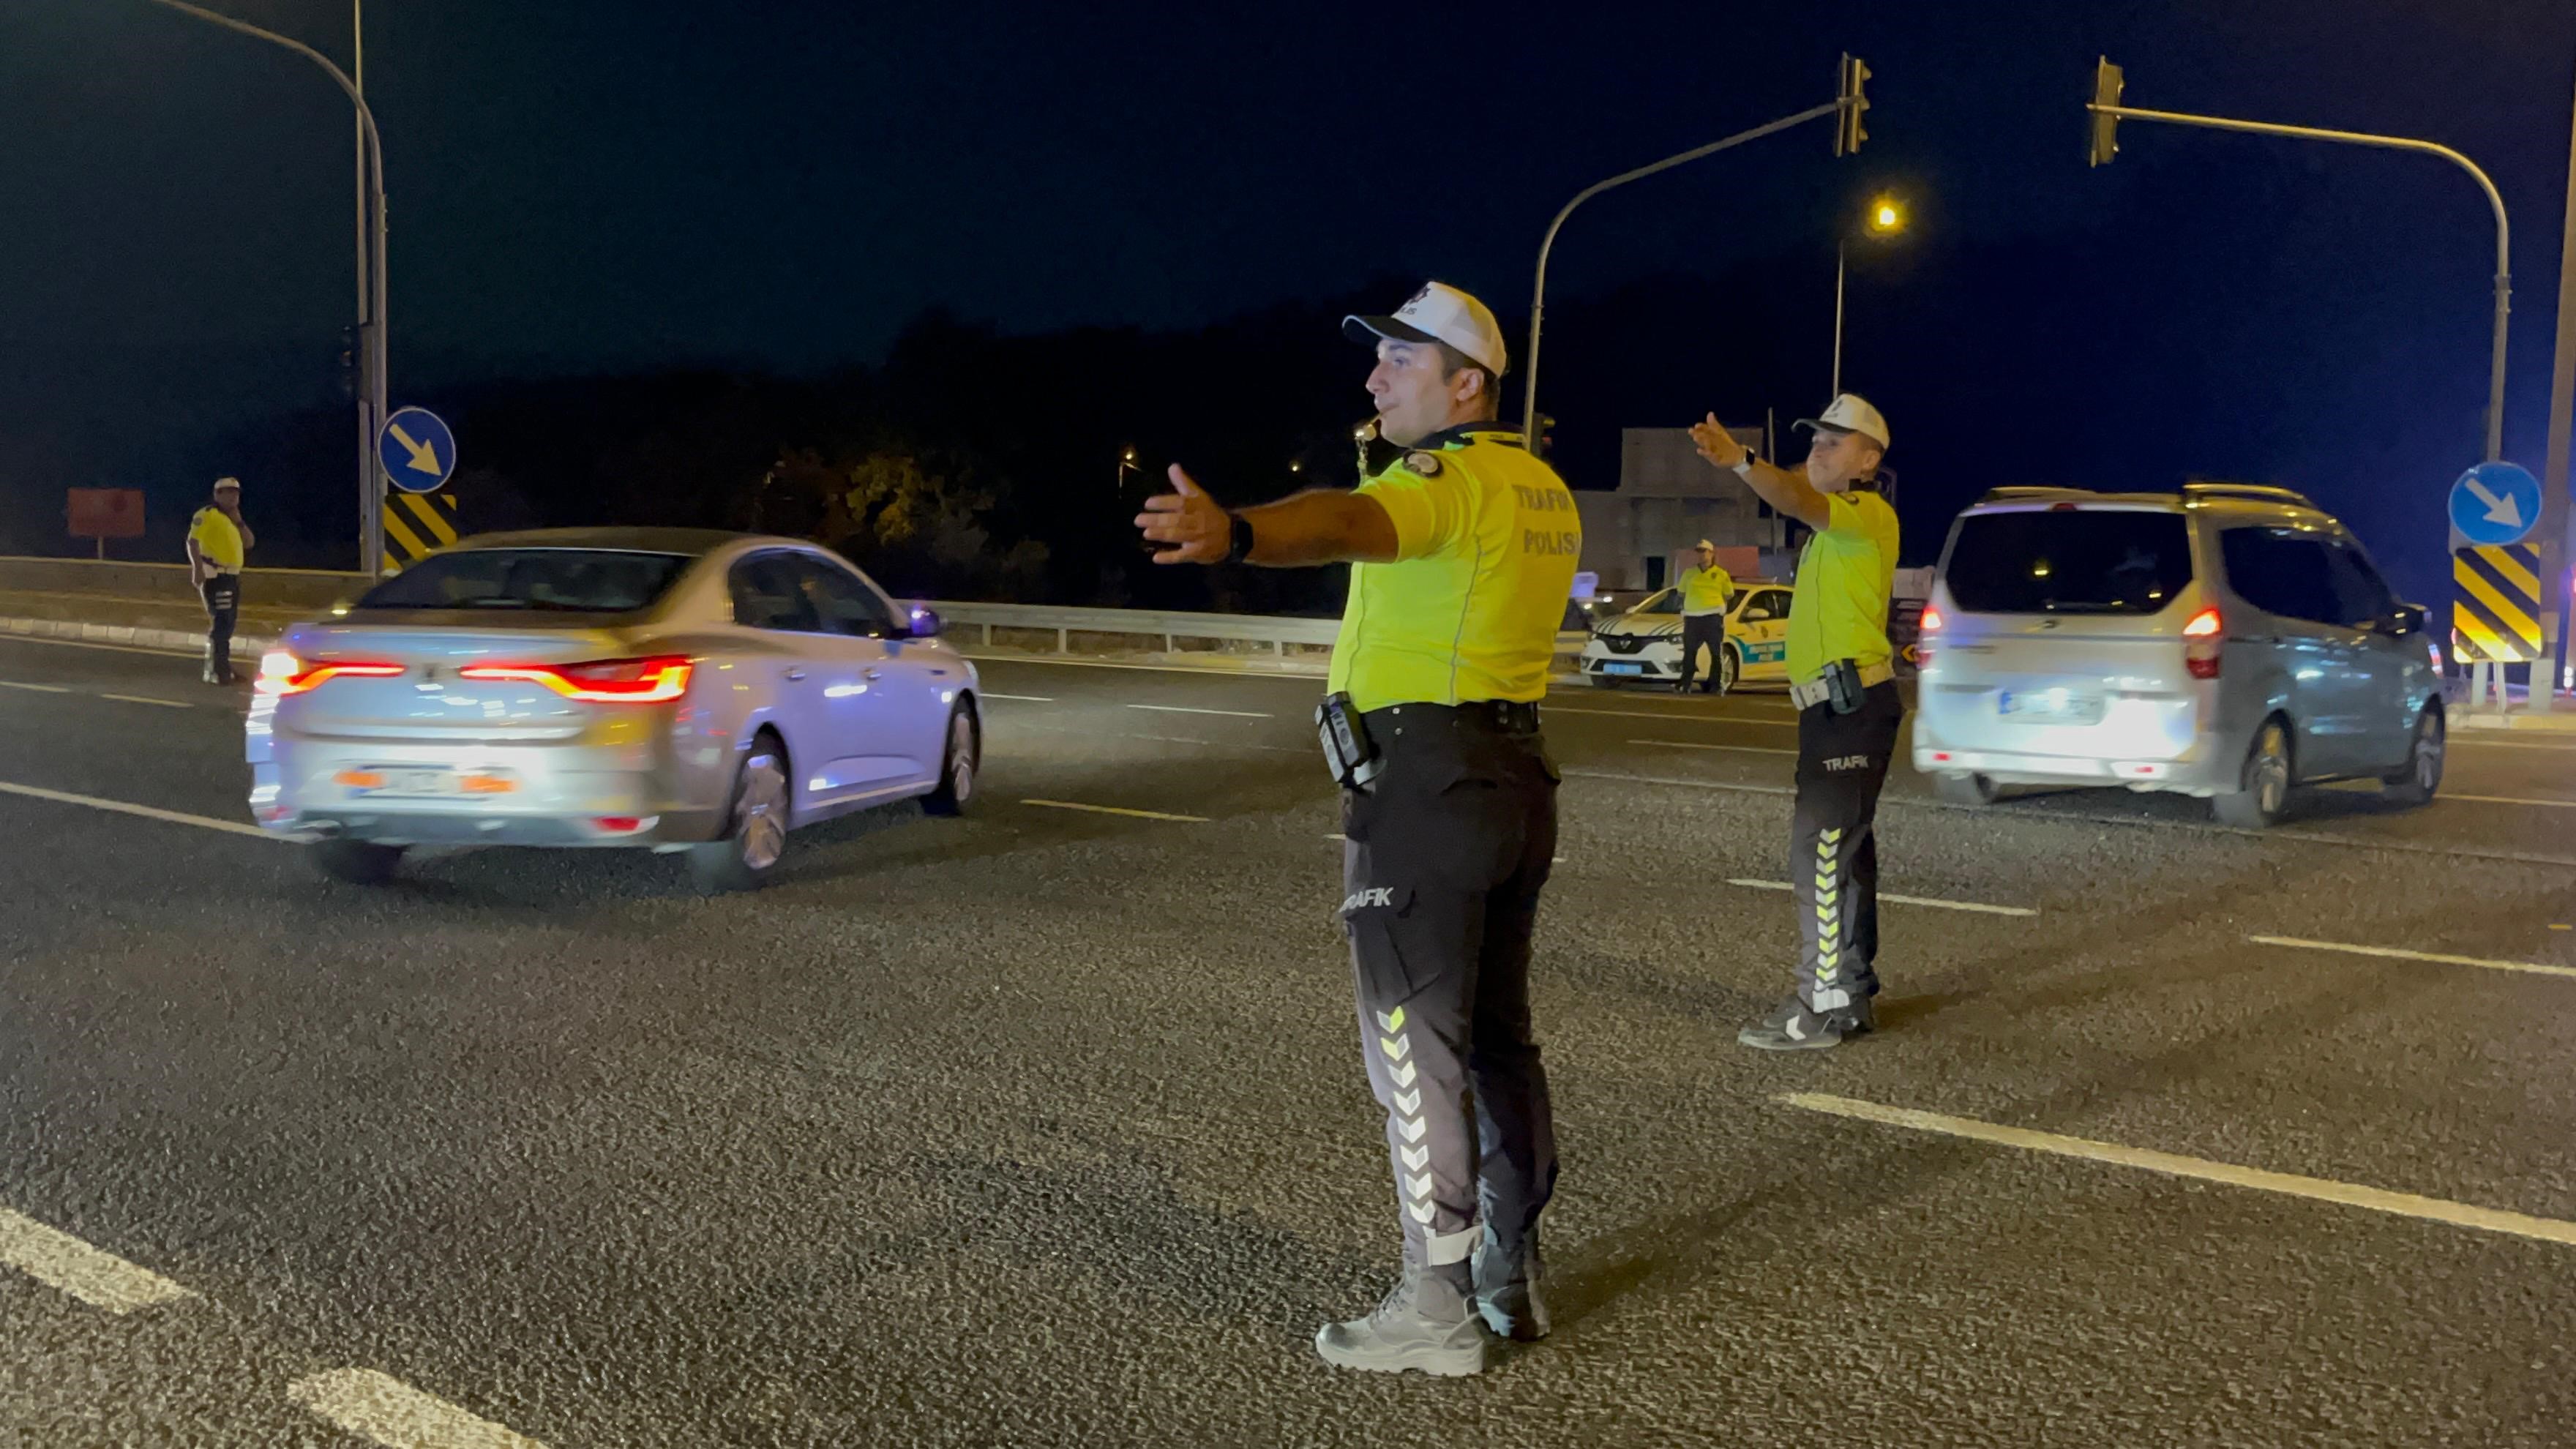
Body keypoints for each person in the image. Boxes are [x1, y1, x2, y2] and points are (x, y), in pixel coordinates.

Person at [1136, 281, 1575, 1377]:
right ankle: (1506, 1277)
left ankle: (1433, 1305)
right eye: (1375, 359)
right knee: (1498, 1040)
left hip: (1425, 786)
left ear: (1465, 384)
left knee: (1411, 1045)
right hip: (1515, 777)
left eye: (1400, 361)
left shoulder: (1442, 480)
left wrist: (1237, 530)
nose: (1375, 377)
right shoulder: (1541, 488)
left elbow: (1349, 519)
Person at [1688, 394, 1900, 1050]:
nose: (1818, 449)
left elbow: (1797, 498)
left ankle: (1821, 1006)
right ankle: (1851, 994)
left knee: (1822, 855)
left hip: (1849, 709)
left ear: (1867, 461)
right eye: (1815, 439)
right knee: (1846, 856)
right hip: (1834, 711)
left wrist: (1743, 461)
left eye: (1835, 442)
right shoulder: (1835, 532)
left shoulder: (1864, 513)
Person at [185, 476, 255, 685]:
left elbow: (249, 543)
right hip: (216, 577)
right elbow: (192, 542)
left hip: (232, 577)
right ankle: (216, 671)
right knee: (222, 624)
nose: (233, 496)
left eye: (236, 493)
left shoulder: (231, 519)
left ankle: (223, 667)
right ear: (217, 495)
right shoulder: (207, 515)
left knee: (228, 624)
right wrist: (197, 569)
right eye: (228, 492)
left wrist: (239, 520)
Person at [1674, 539, 1736, 693]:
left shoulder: (1721, 574)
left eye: (1704, 552)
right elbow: (1680, 593)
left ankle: (1715, 685)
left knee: (1715, 653)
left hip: (1713, 618)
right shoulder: (1689, 573)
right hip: (1693, 618)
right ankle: (1685, 684)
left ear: (1712, 553)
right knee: (1689, 652)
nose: (1701, 555)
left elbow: (1729, 594)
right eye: (1699, 552)